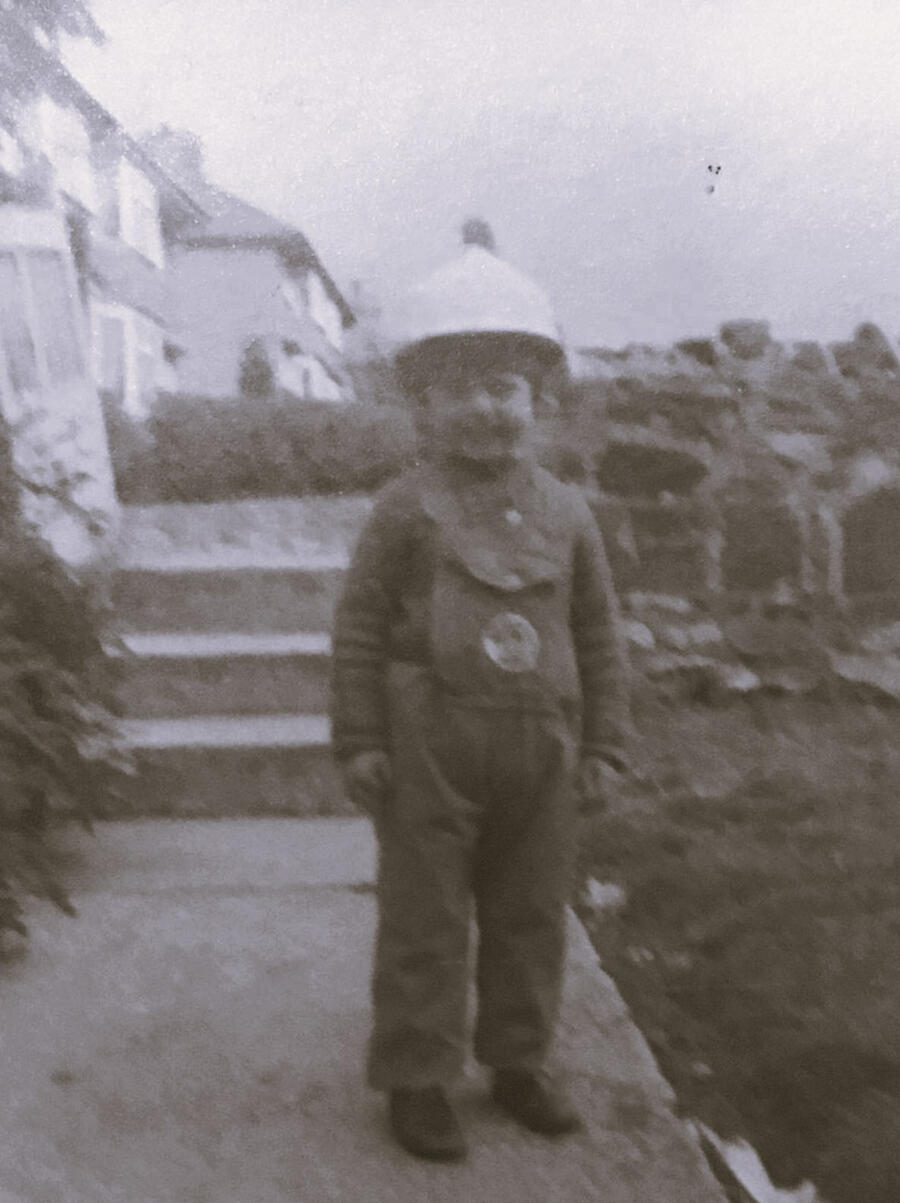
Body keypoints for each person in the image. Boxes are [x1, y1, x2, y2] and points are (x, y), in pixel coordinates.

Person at [330, 220, 630, 1162]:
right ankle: (417, 1074)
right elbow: (360, 628)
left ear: (537, 400)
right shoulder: (401, 509)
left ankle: (519, 1060)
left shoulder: (568, 511)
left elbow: (598, 632)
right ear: (423, 403)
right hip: (431, 745)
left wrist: (606, 743)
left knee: (531, 914)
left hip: (543, 749)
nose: (483, 408)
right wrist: (361, 739)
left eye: (503, 388)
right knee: (424, 916)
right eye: (460, 389)